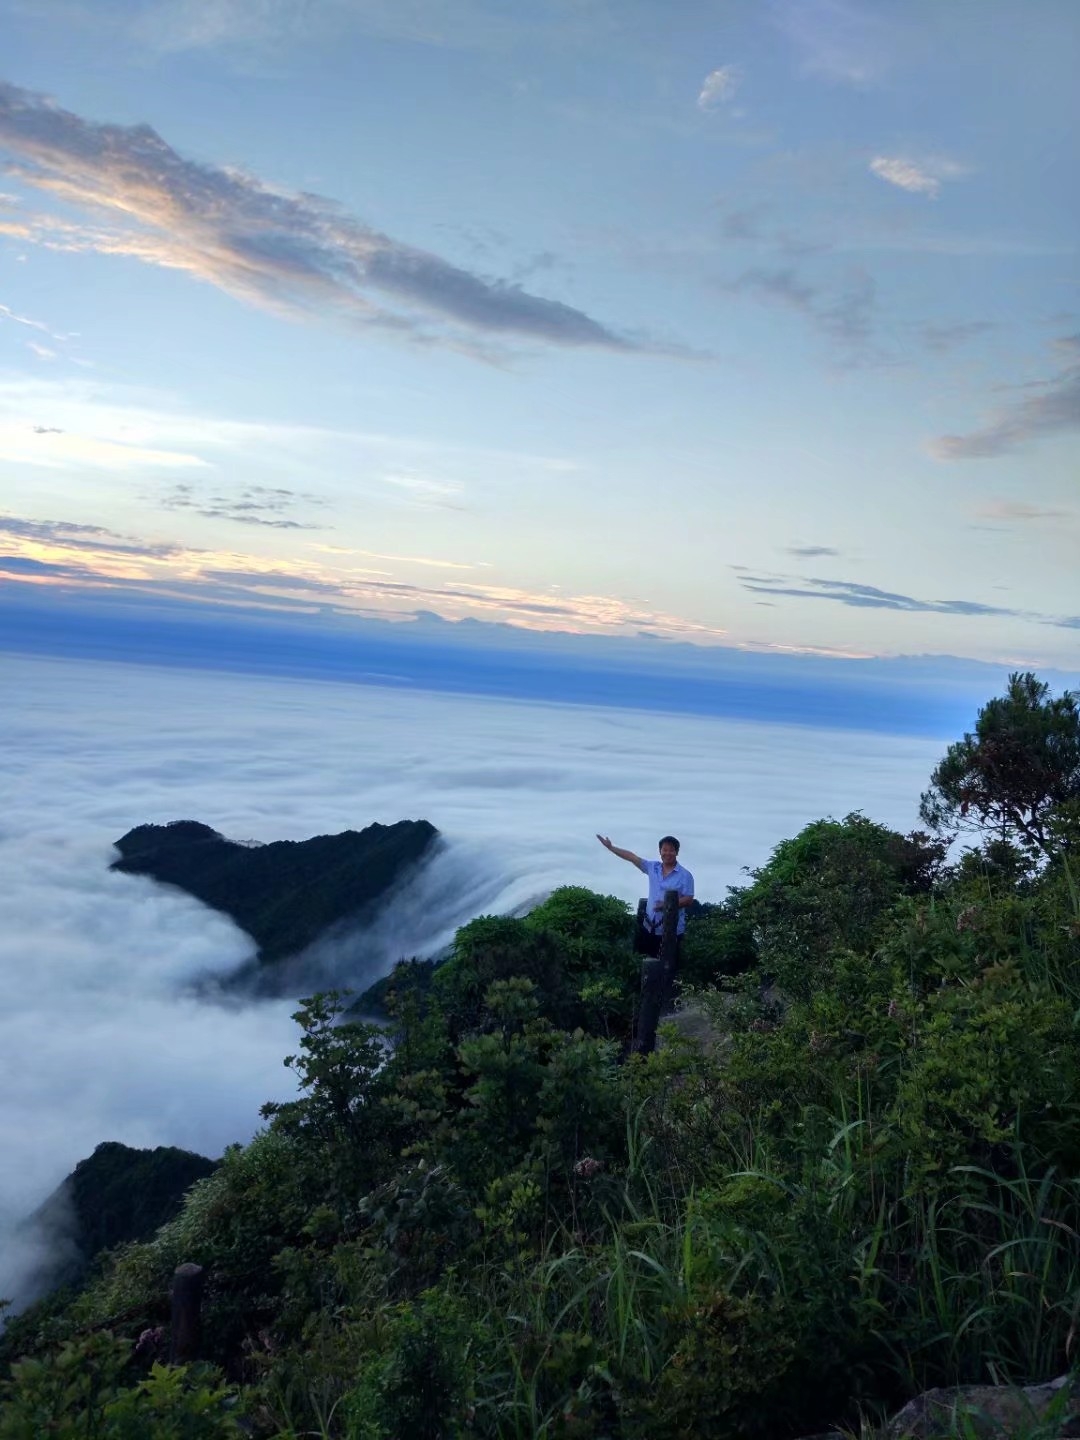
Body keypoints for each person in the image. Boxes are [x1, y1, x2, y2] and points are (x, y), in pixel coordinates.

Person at [596, 833, 694, 958]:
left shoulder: (685, 875)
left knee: (667, 967)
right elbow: (632, 857)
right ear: (660, 851)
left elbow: (689, 899)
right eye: (664, 850)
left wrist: (666, 905)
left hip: (671, 932)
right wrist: (611, 847)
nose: (667, 853)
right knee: (645, 963)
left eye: (671, 850)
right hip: (648, 927)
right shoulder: (653, 868)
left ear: (677, 852)